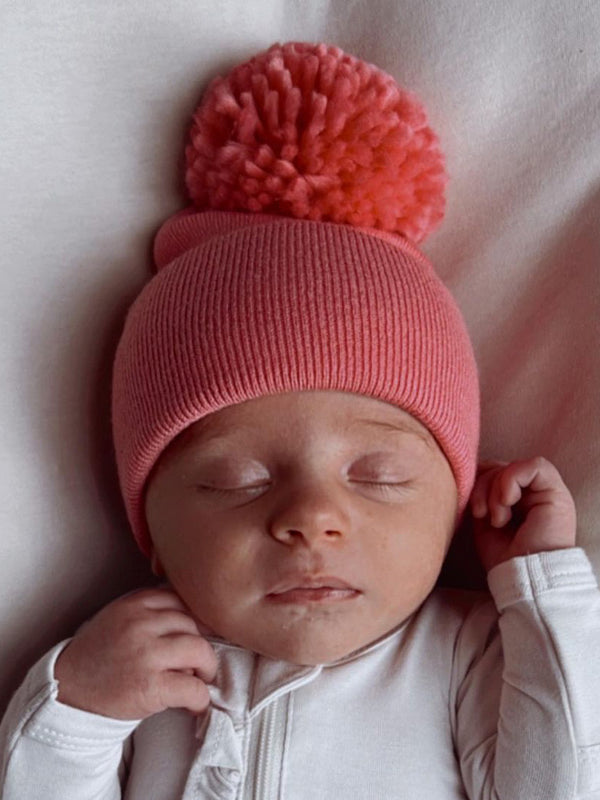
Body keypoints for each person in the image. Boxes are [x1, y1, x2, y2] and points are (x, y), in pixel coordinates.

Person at [1, 41, 599, 800]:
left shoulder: (466, 655)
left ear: (453, 507)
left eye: (379, 476)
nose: (313, 517)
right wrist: (76, 716)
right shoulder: (140, 669)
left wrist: (539, 588)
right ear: (151, 532)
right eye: (236, 479)